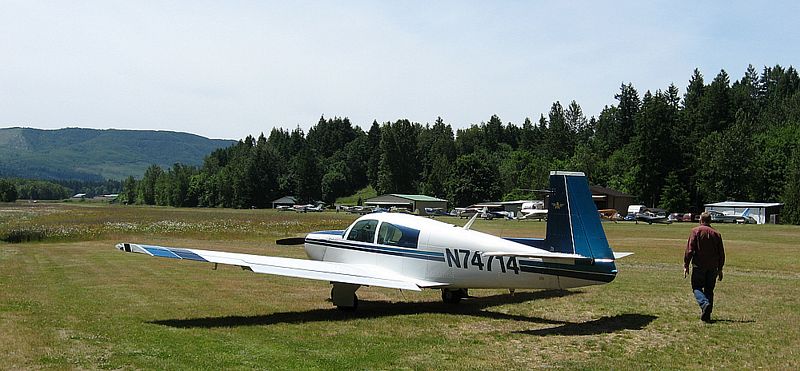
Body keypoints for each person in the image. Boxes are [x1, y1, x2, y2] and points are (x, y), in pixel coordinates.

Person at [684, 212, 725, 322]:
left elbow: (690, 250)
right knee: (709, 289)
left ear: (700, 220)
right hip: (713, 267)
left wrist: (686, 264)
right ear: (710, 221)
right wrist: (720, 268)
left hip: (699, 265)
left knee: (696, 287)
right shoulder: (717, 234)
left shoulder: (695, 231)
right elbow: (721, 253)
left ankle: (704, 303)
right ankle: (707, 314)